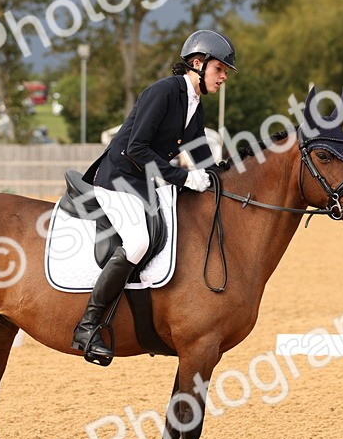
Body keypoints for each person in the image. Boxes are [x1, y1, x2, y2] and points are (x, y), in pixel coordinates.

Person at [71, 29, 232, 365]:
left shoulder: (194, 104)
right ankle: (88, 325)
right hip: (118, 178)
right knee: (139, 242)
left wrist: (225, 177)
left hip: (146, 182)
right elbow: (136, 148)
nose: (223, 78)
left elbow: (200, 154)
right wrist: (183, 177)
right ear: (198, 64)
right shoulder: (164, 92)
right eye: (220, 69)